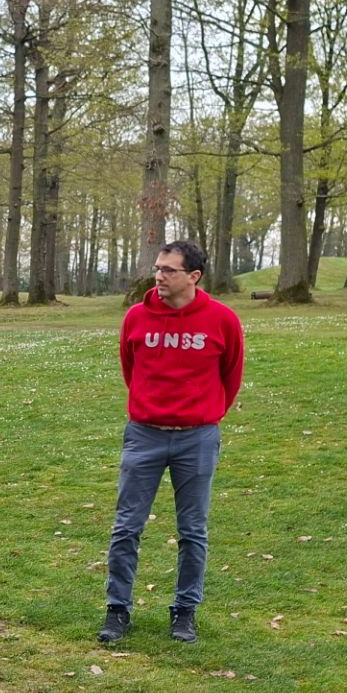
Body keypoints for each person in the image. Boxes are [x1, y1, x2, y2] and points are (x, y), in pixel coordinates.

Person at [98, 239, 245, 646]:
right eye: (157, 268)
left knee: (192, 530)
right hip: (144, 435)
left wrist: (203, 415)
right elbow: (130, 369)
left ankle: (184, 611)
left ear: (193, 276)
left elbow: (230, 376)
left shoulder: (222, 320)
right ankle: (117, 609)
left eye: (168, 270)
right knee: (126, 527)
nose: (158, 276)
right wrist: (151, 408)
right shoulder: (137, 317)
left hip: (197, 439)